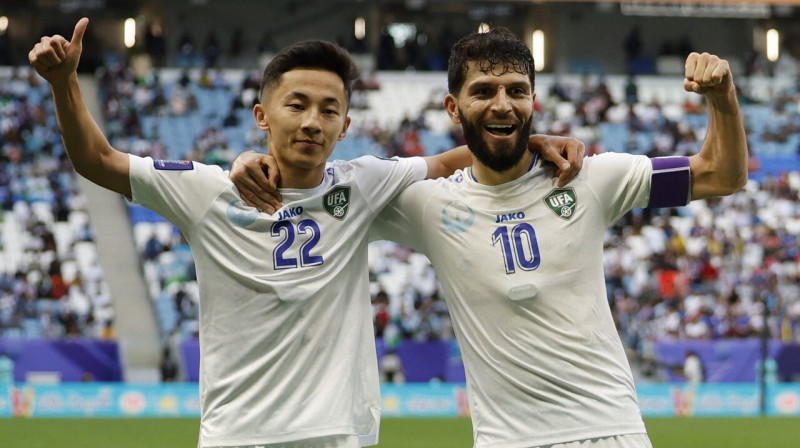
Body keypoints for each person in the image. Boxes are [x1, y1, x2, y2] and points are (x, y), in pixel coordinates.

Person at [29, 19, 583, 448]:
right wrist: (64, 83)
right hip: (239, 435)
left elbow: (453, 159)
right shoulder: (206, 191)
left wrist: (531, 141)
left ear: (346, 124)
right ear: (262, 114)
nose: (312, 122)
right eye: (296, 105)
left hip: (339, 433)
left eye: (329, 109)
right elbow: (97, 160)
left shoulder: (363, 184)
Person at [236, 28, 747, 448]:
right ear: (453, 109)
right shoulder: (424, 204)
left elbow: (721, 175)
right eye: (483, 92)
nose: (502, 104)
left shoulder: (590, 177)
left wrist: (721, 97)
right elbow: (319, 182)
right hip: (502, 440)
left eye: (516, 92)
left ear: (533, 102)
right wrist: (248, 161)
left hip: (606, 431)